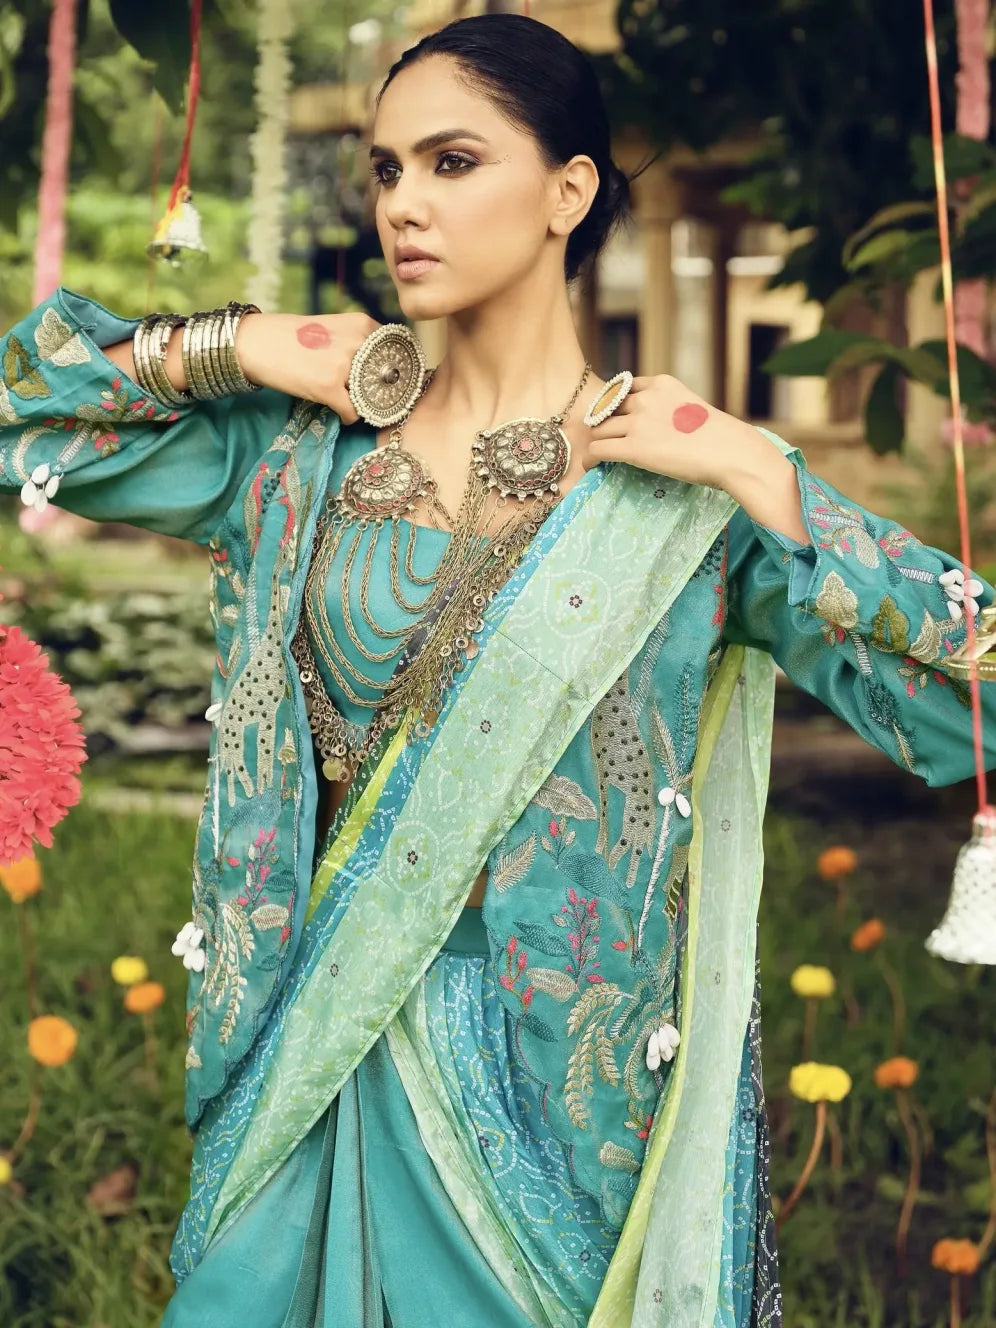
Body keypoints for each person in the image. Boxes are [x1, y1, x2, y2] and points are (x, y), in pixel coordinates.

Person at [1, 13, 994, 1327]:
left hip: (538, 1110)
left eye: (454, 162)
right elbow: (30, 421)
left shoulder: (680, 506)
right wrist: (245, 342)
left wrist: (770, 478)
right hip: (300, 1047)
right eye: (387, 169)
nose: (405, 204)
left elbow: (967, 700)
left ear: (568, 193)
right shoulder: (295, 455)